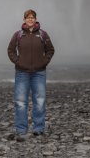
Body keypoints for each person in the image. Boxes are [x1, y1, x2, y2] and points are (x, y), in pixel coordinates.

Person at [7, 9, 55, 141]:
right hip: (22, 72)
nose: (30, 19)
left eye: (32, 17)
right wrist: (18, 61)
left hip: (39, 73)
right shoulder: (18, 35)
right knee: (20, 102)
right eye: (28, 17)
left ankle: (38, 129)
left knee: (39, 101)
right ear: (24, 20)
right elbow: (10, 50)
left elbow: (50, 50)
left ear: (35, 19)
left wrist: (44, 62)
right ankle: (21, 130)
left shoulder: (43, 34)